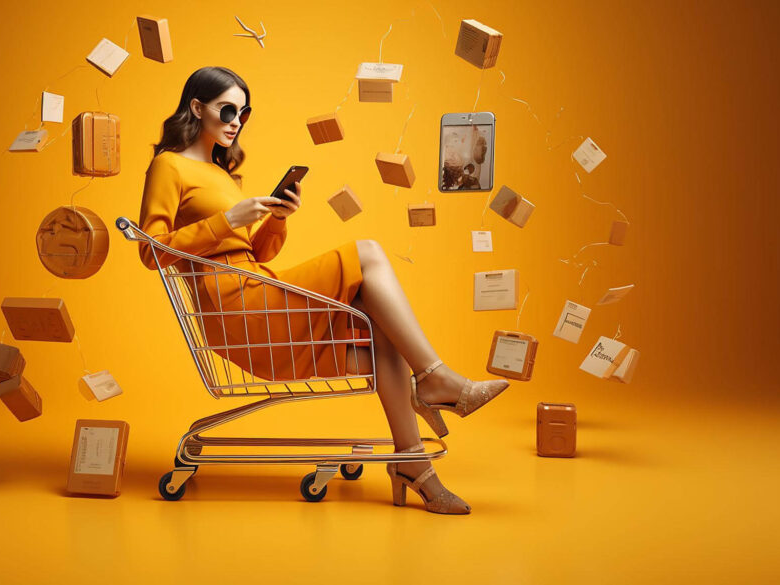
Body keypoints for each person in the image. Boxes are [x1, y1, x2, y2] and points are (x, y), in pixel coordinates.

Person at [137, 66, 510, 515]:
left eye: (244, 113)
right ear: (197, 108)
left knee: (381, 330)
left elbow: (255, 254)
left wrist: (277, 219)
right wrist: (228, 220)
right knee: (367, 252)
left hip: (257, 290)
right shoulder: (168, 165)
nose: (237, 121)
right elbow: (151, 251)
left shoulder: (223, 174)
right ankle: (435, 379)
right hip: (235, 310)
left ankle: (414, 465)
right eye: (228, 110)